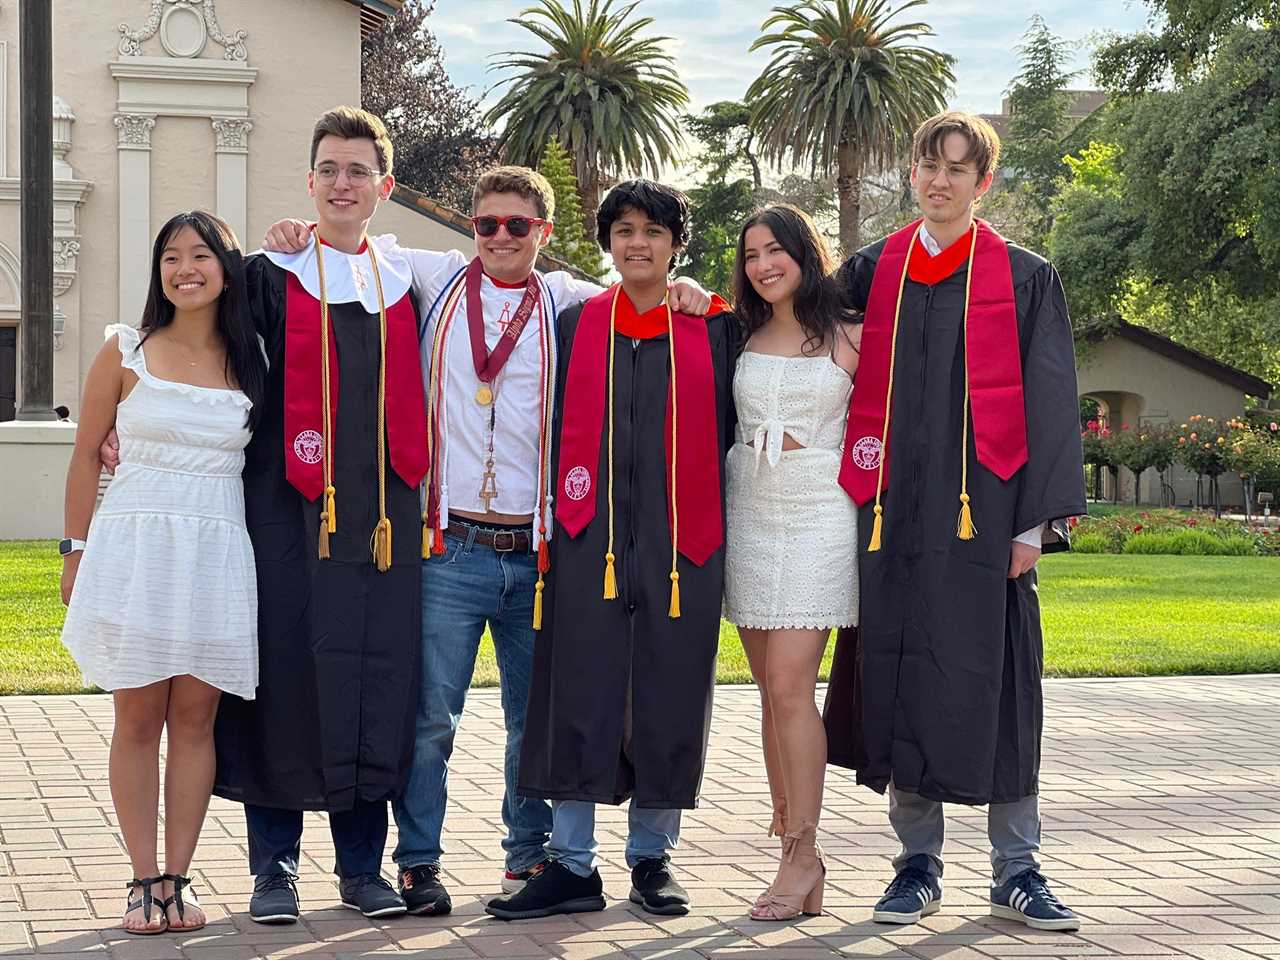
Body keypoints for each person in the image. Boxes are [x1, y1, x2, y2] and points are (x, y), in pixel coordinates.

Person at [260, 167, 711, 915]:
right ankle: (420, 862)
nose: (500, 237)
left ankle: (528, 860)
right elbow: (346, 241)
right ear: (470, 228)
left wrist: (687, 288)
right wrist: (294, 233)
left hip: (538, 555)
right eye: (486, 224)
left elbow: (647, 296)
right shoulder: (431, 278)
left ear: (546, 234)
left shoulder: (570, 304)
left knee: (532, 723)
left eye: (518, 226)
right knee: (431, 720)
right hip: (450, 550)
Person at [822, 111, 1087, 931]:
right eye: (927, 166)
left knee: (1001, 684)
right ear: (912, 174)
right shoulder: (874, 271)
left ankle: (1017, 866)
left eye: (958, 169)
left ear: (985, 182)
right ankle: (916, 863)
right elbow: (788, 321)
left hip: (989, 517)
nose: (939, 181)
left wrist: (1032, 525)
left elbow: (1049, 398)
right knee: (905, 672)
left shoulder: (1024, 276)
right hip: (893, 516)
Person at [485, 180, 737, 921]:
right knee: (578, 691)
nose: (638, 243)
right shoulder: (575, 323)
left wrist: (698, 296)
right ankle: (571, 865)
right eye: (624, 229)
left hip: (679, 541)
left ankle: (653, 858)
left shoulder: (712, 329)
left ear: (675, 243)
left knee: (667, 689)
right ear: (607, 241)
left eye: (654, 231)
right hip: (585, 535)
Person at [61, 210, 265, 935]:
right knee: (138, 716)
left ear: (226, 269)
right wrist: (73, 549)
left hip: (216, 552)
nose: (186, 268)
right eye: (172, 256)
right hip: (135, 548)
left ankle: (179, 878)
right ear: (159, 271)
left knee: (196, 718)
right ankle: (142, 879)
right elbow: (86, 454)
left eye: (201, 255)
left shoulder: (253, 360)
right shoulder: (124, 349)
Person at [723, 205, 861, 921]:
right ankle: (793, 860)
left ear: (807, 252)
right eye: (751, 255)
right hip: (749, 510)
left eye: (776, 249)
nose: (764, 264)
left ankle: (804, 850)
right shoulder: (737, 332)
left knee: (788, 686)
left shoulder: (852, 336)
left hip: (817, 516)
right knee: (767, 694)